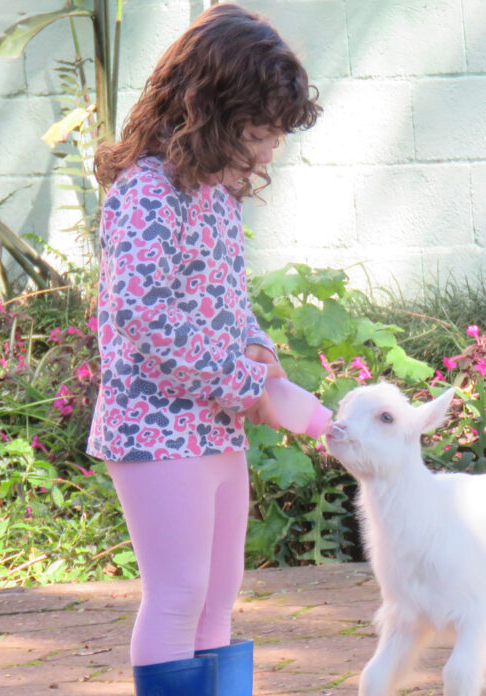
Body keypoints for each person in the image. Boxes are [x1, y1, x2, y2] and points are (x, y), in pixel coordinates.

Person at [87, 5, 321, 694]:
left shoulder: (214, 194)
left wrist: (258, 353)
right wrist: (245, 386)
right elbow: (140, 313)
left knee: (219, 596)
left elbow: (224, 296)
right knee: (178, 593)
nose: (268, 149)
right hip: (157, 431)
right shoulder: (145, 194)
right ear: (209, 113)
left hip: (213, 424)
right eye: (258, 132)